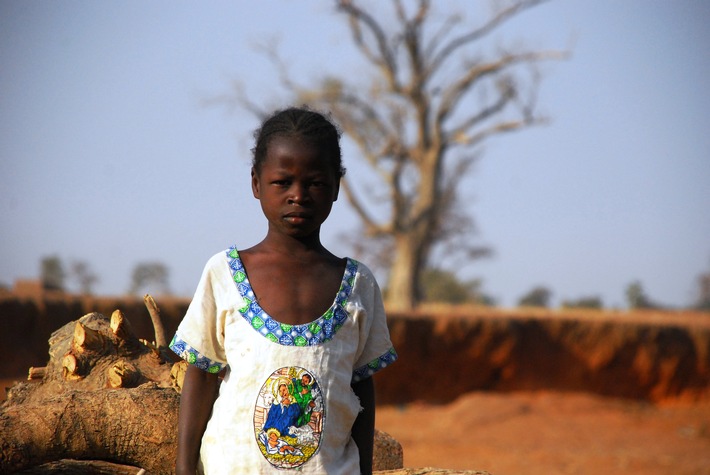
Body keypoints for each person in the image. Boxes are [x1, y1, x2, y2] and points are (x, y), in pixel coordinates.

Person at [171, 106, 397, 474]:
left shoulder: (357, 284)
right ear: (256, 184)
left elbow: (361, 386)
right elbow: (199, 372)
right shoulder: (224, 273)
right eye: (283, 182)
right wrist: (184, 469)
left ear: (336, 187)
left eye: (316, 183)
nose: (299, 195)